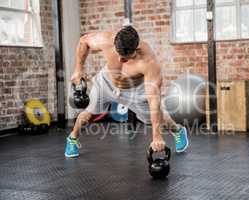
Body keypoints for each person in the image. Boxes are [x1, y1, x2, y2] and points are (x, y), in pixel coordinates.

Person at [65, 26, 189, 158]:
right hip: (107, 81)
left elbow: (154, 101)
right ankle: (72, 139)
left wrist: (157, 137)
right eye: (118, 55)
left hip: (135, 90)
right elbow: (84, 40)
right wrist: (78, 69)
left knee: (157, 116)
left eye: (125, 58)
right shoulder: (106, 40)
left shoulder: (149, 62)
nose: (120, 60)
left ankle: (178, 130)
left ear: (136, 50)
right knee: (88, 113)